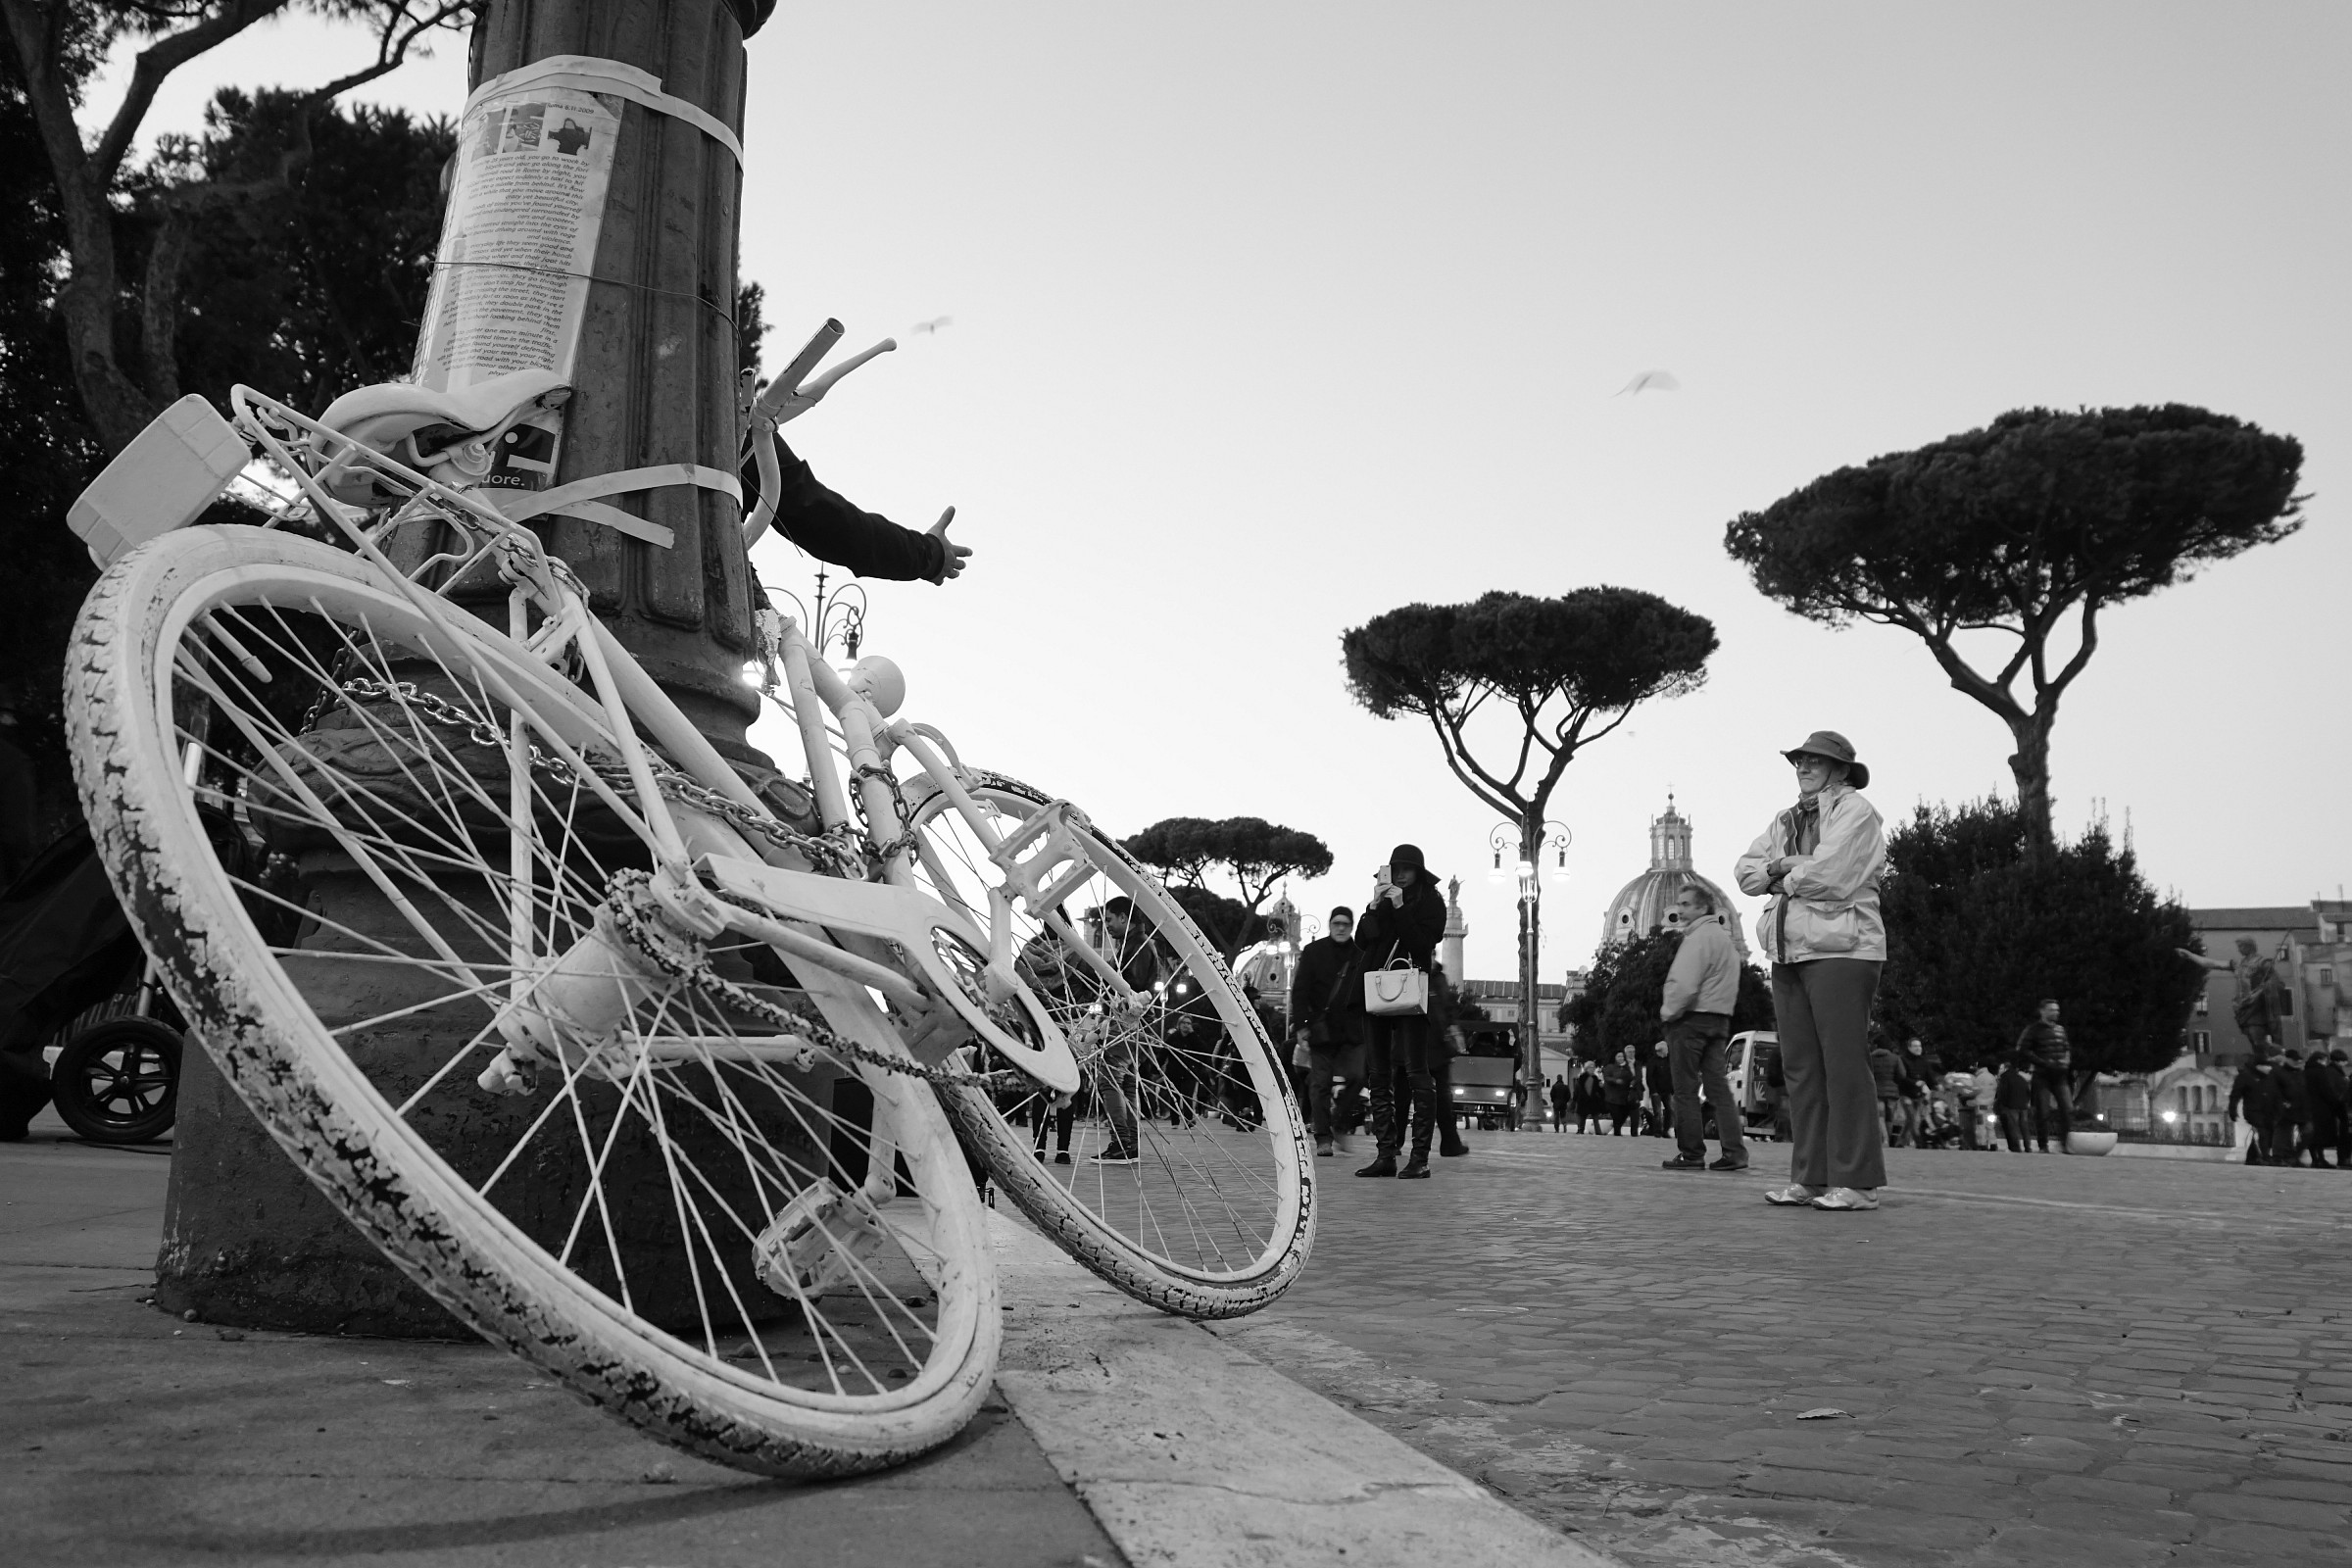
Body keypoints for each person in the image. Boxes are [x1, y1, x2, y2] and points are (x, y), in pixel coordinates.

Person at [1736, 729, 1888, 1211]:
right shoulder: (1785, 819)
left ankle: (1858, 1183)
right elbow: (1745, 873)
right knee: (1802, 1070)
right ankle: (1811, 1177)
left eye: (1815, 761)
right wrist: (1791, 864)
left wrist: (1780, 872)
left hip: (1844, 950)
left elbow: (1833, 876)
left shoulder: (1856, 811)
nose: (1803, 767)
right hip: (1789, 954)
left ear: (1840, 771)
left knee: (1844, 1066)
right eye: (1799, 760)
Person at [1353, 845, 1446, 1179]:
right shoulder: (1381, 901)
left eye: (1407, 868)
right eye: (1396, 869)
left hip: (1410, 990)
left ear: (1419, 872)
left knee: (1417, 1074)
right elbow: (1363, 941)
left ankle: (1419, 1158)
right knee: (1378, 1075)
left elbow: (1421, 943)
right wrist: (1374, 905)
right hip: (1377, 990)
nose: (1401, 874)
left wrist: (1400, 907)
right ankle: (1386, 1154)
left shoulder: (1432, 903)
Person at [1658, 885, 1746, 1172]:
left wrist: (1668, 1013)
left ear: (1701, 908)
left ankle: (1692, 1153)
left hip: (1691, 1020)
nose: (1679, 909)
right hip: (1719, 1020)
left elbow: (1683, 985)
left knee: (1685, 1090)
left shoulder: (1697, 939)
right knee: (1718, 1089)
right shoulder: (1724, 941)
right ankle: (1735, 1152)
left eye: (1685, 904)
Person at [1289, 906, 1365, 1158]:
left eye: (1345, 924)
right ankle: (1323, 1137)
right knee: (1320, 1084)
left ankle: (1339, 1121)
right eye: (1336, 923)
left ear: (1351, 926)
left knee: (1357, 1076)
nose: (1341, 928)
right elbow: (1300, 991)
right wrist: (1302, 1026)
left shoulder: (1361, 954)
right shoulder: (1314, 951)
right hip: (1321, 1030)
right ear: (1330, 925)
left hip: (1352, 1031)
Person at [2016, 1000, 2074, 1153]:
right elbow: (2023, 1049)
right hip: (2042, 1076)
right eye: (2052, 1010)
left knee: (2068, 1110)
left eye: (2057, 1010)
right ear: (2042, 1011)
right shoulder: (2033, 1030)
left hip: (2060, 1076)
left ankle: (2067, 1144)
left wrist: (2066, 1061)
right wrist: (2042, 1062)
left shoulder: (2060, 1029)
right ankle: (2043, 1145)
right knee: (2042, 1111)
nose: (2056, 1013)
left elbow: (2066, 1047)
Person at [2228, 1054, 2278, 1165]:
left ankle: (2253, 1157)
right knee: (2262, 1132)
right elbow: (2235, 1094)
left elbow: (2276, 1094)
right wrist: (2232, 1110)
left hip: (2268, 1111)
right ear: (2258, 1066)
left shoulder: (2270, 1077)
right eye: (2266, 1066)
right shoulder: (2246, 1077)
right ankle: (2265, 1156)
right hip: (2252, 1111)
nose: (2269, 1068)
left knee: (2267, 1132)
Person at [2301, 1048, 2342, 1170]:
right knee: (2321, 1135)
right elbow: (2326, 1090)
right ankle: (2321, 1159)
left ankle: (2315, 1159)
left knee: (2313, 1135)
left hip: (2307, 1107)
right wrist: (2335, 1103)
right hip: (2321, 1108)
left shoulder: (2305, 1071)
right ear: (2319, 1060)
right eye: (2325, 1060)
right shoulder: (2321, 1072)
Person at [1899, 1039, 1941, 1149]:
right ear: (1909, 1047)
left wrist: (1936, 1085)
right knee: (1913, 1118)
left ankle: (1901, 1141)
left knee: (1910, 1119)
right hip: (1906, 1093)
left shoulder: (1924, 1061)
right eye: (1915, 1046)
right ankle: (1919, 1142)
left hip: (1919, 1094)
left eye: (1919, 1046)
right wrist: (1914, 1082)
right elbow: (1901, 1077)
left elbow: (1929, 1076)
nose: (1918, 1048)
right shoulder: (1902, 1060)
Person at [1868, 1035, 1906, 1147]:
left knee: (1880, 1116)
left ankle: (1885, 1140)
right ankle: (1889, 1139)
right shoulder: (1895, 1058)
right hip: (1892, 1093)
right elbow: (1902, 1075)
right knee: (1889, 1117)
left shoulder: (1870, 1058)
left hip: (1876, 1092)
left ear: (1876, 1045)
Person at [1993, 1060, 2033, 1152]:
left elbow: (2003, 1093)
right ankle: (2028, 1147)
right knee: (2024, 1127)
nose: (1999, 1070)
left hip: (2011, 1106)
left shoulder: (2005, 1078)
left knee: (2013, 1127)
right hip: (2023, 1106)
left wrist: (2002, 1105)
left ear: (2006, 1069)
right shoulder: (2021, 1078)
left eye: (2001, 1068)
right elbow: (2028, 1092)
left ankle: (2015, 1147)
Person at [1642, 1042, 1674, 1138]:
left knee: (1670, 1110)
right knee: (1658, 1112)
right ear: (1661, 1050)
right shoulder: (1653, 1061)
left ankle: (1666, 1130)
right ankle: (1658, 1131)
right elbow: (1650, 1077)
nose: (1668, 1051)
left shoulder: (1669, 1061)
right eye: (1666, 1049)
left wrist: (1672, 1089)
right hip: (1656, 1091)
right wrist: (1653, 1090)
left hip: (1668, 1090)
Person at [1602, 1051, 1638, 1135]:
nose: (1621, 1058)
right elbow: (1607, 1077)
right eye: (1618, 1056)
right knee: (1616, 1116)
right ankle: (1617, 1132)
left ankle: (1617, 1129)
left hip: (1624, 1096)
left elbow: (1632, 1078)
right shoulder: (1610, 1067)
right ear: (1615, 1058)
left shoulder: (1627, 1068)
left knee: (1624, 1114)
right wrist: (1615, 1080)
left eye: (1622, 1056)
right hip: (1612, 1097)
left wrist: (1632, 1081)